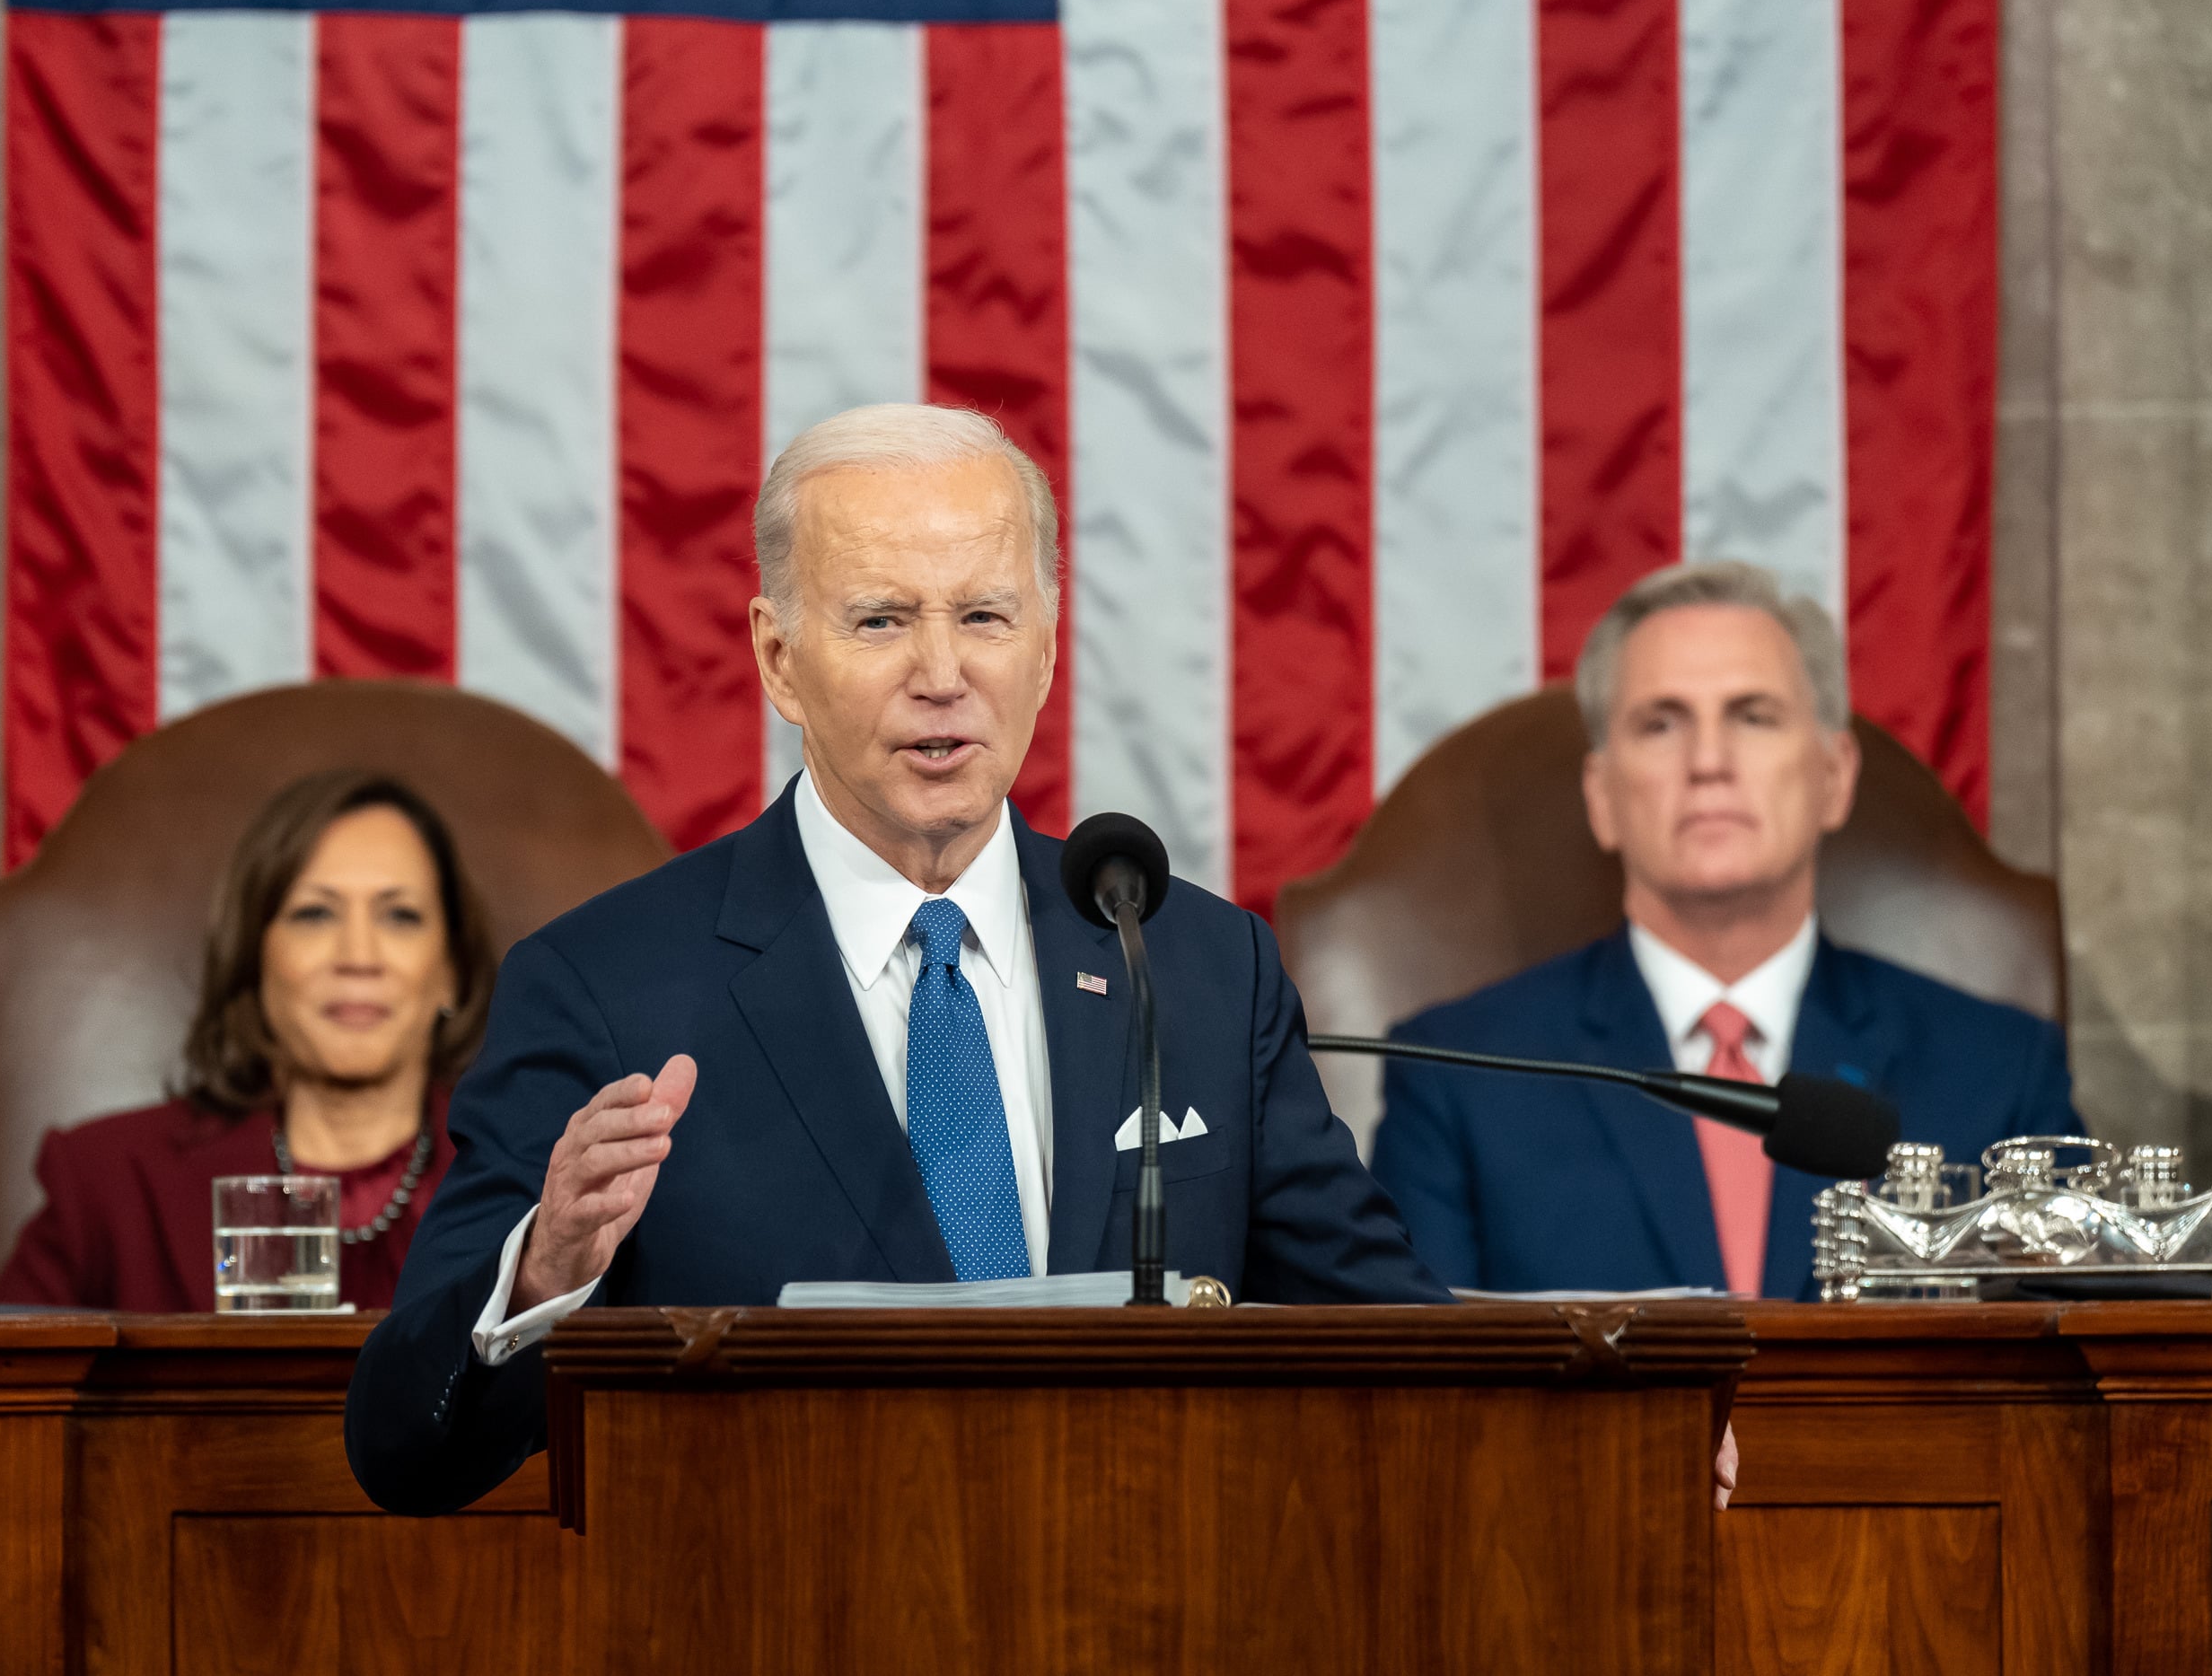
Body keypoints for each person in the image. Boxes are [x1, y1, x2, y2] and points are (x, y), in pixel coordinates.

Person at [346, 402, 1453, 1517]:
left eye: (984, 614)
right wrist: (546, 1271)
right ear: (780, 659)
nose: (942, 673)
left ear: (1049, 645)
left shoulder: (1199, 965)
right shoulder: (606, 989)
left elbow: (1409, 1358)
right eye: (880, 621)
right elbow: (408, 1450)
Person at [1369, 561, 2083, 1299]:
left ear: (1834, 777)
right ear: (1601, 796)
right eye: (1660, 723)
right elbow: (1424, 1395)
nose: (1708, 763)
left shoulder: (1998, 1075)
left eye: (1753, 716)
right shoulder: (1458, 1075)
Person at [0, 769, 497, 1312]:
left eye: (400, 916)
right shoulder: (107, 1183)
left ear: (451, 969)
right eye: (314, 913)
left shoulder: (526, 1186)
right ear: (254, 958)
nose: (359, 956)